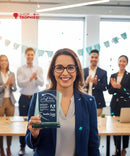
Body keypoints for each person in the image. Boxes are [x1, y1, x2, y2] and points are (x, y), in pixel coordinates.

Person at [25, 48, 100, 156]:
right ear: (53, 71)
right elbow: (30, 144)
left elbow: (93, 145)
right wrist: (34, 134)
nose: (65, 73)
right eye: (59, 67)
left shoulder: (89, 102)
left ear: (77, 71)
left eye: (70, 67)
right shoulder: (40, 98)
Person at [17, 47, 44, 156]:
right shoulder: (20, 69)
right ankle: (22, 147)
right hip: (23, 98)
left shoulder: (39, 68)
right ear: (25, 56)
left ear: (34, 56)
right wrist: (30, 78)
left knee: (36, 122)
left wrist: (35, 77)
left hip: (35, 99)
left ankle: (35, 145)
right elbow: (20, 84)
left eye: (32, 54)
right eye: (28, 54)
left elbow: (42, 83)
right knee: (23, 123)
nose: (30, 56)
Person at [108, 55, 130, 156]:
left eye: (124, 61)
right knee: (115, 127)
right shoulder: (113, 75)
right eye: (120, 61)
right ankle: (117, 147)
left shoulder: (129, 76)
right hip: (114, 105)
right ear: (118, 62)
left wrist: (120, 87)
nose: (121, 63)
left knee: (125, 128)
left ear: (126, 63)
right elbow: (110, 91)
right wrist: (113, 87)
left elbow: (128, 93)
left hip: (126, 105)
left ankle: (124, 149)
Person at [0, 55, 17, 156]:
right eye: (2, 60)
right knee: (1, 127)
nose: (4, 62)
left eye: (5, 60)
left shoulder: (12, 73)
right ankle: (1, 148)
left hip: (10, 102)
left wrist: (11, 84)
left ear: (8, 62)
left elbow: (15, 89)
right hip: (0, 103)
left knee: (10, 126)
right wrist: (5, 85)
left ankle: (9, 148)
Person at [84, 49, 108, 116]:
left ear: (98, 58)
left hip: (98, 103)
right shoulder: (83, 71)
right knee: (84, 123)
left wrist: (96, 83)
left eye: (96, 57)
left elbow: (105, 87)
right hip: (84, 101)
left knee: (96, 124)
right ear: (89, 58)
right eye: (92, 57)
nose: (94, 59)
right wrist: (85, 83)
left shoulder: (103, 72)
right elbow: (77, 85)